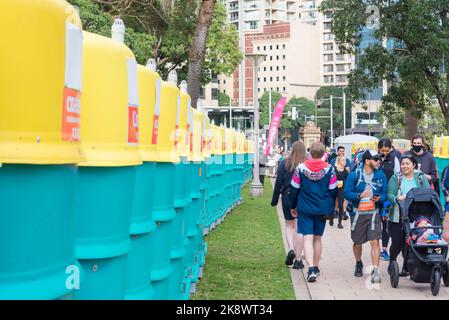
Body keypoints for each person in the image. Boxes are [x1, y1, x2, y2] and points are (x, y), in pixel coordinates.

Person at [290, 142, 338, 282]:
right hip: (322, 208)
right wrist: (330, 205)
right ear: (324, 154)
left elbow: (294, 188)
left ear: (310, 153)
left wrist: (293, 206)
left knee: (307, 237)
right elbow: (333, 189)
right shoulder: (330, 169)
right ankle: (316, 267)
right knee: (317, 238)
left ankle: (310, 268)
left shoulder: (300, 168)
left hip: (305, 207)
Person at [344, 149, 387, 283]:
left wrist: (379, 199)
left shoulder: (381, 175)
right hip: (357, 213)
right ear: (368, 161)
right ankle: (358, 263)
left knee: (375, 241)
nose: (379, 161)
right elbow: (346, 193)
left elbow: (384, 194)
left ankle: (375, 271)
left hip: (374, 214)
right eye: (376, 159)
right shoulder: (354, 175)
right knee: (357, 242)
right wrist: (358, 196)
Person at [386, 154, 429, 277]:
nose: (404, 166)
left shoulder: (420, 177)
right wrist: (397, 198)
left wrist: (412, 197)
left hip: (417, 215)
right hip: (398, 215)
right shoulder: (396, 177)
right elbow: (390, 194)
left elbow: (426, 192)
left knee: (412, 242)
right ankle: (392, 262)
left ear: (414, 165)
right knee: (397, 242)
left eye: (407, 164)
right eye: (403, 164)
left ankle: (408, 267)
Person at [271, 141, 307, 269]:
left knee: (289, 225)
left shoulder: (284, 163)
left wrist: (274, 199)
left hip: (287, 196)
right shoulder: (306, 165)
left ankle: (291, 248)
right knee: (300, 228)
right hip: (303, 198)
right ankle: (298, 259)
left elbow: (278, 182)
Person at [377, 138, 401, 262]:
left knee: (386, 223)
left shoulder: (394, 159)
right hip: (376, 196)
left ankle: (384, 249)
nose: (385, 153)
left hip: (388, 197)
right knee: (376, 223)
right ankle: (376, 248)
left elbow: (398, 177)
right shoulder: (375, 159)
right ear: (378, 149)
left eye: (387, 150)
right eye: (382, 150)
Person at [330, 156, 349, 229]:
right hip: (333, 188)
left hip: (341, 189)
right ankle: (331, 218)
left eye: (345, 160)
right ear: (339, 161)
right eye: (343, 160)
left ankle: (339, 222)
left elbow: (348, 181)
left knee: (341, 205)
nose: (345, 161)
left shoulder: (345, 171)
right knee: (332, 204)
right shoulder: (334, 169)